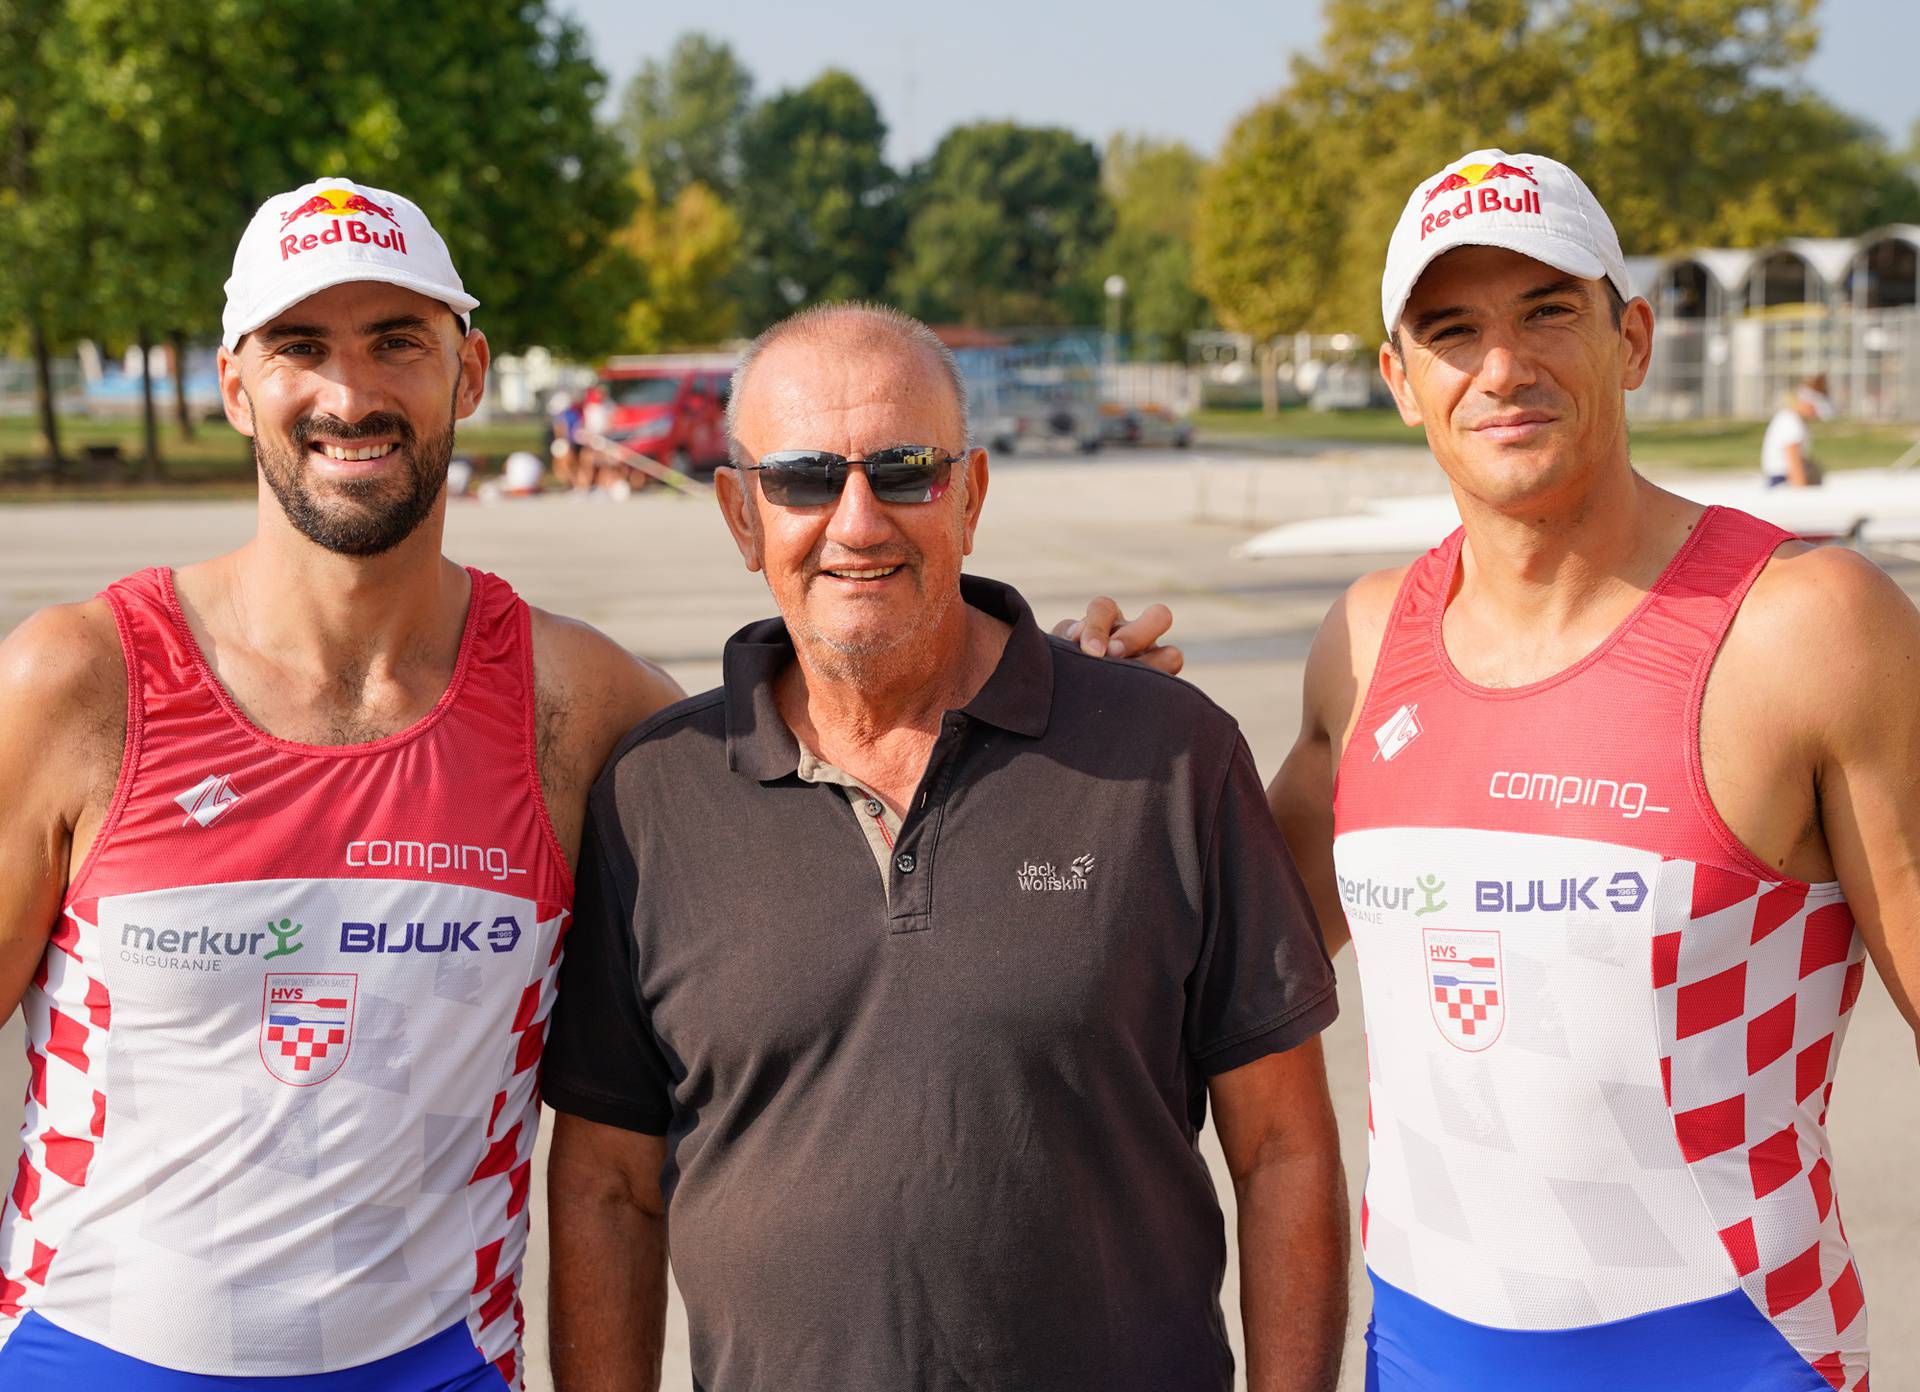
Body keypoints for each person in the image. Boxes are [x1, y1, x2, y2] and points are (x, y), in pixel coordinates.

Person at [0, 184, 1175, 1391]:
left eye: (396, 342)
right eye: (301, 348)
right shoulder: (81, 683)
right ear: (235, 385)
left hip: (439, 1369)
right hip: (85, 1360)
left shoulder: (579, 704)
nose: (350, 395)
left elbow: (845, 748)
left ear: (468, 373)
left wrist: (1057, 695)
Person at [542, 303, 1347, 1392]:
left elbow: (1284, 1148)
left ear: (969, 496)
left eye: (907, 472)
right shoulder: (653, 799)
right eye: (806, 479)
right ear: (741, 515)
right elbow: (607, 1191)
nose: (860, 521)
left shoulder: (1170, 754)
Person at [1269, 148, 1920, 1391]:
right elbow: (1203, 952)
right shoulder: (1361, 646)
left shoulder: (1809, 626)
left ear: (1631, 337)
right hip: (1424, 1355)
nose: (1502, 367)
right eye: (1452, 330)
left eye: (1546, 312)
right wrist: (1078, 720)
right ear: (1403, 382)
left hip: (1734, 1354)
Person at [1762, 374, 1833, 487]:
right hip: (1783, 481)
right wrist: (1800, 488)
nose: (1815, 415)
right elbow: (1793, 460)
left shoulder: (1788, 418)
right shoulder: (1792, 423)